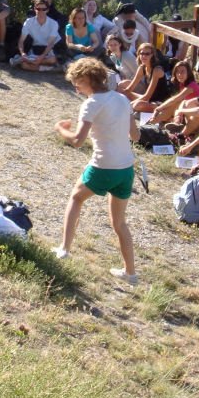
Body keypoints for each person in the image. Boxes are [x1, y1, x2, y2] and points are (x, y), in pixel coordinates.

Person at [54, 58, 140, 284]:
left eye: (77, 82)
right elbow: (136, 136)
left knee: (76, 197)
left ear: (87, 79)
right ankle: (130, 273)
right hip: (126, 169)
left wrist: (61, 130)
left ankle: (64, 249)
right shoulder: (122, 99)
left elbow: (77, 141)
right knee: (119, 223)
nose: (76, 87)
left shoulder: (91, 104)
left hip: (103, 166)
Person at [13, 0, 60, 71]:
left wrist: (42, 56)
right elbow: (21, 41)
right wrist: (22, 53)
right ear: (35, 9)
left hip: (48, 49)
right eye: (38, 9)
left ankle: (35, 66)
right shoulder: (29, 22)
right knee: (25, 64)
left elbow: (51, 44)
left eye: (43, 9)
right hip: (35, 49)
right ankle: (48, 68)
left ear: (47, 10)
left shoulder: (53, 23)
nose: (41, 11)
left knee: (52, 60)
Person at [149, 60, 199, 125]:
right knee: (172, 104)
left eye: (182, 71)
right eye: (177, 72)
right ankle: (154, 121)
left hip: (196, 114)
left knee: (176, 102)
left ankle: (152, 122)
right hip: (186, 112)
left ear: (188, 73)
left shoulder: (192, 85)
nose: (180, 74)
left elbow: (176, 99)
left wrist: (159, 108)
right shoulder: (182, 84)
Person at [126, 43, 170, 113]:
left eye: (147, 54)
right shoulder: (142, 67)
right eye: (142, 53)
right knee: (122, 85)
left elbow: (147, 96)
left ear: (152, 55)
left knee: (137, 105)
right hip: (150, 100)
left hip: (160, 102)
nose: (144, 56)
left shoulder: (157, 70)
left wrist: (127, 105)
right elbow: (130, 88)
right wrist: (119, 98)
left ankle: (163, 111)